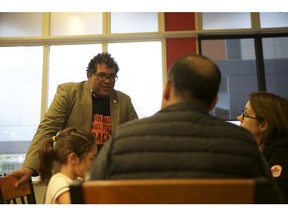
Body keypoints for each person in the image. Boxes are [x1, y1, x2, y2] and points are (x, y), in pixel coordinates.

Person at [89, 54, 283, 203]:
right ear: (213, 102)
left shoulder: (120, 141)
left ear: (166, 90)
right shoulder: (244, 144)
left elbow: (90, 199)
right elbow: (273, 203)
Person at [8, 52, 138, 187]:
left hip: (107, 176)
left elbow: (136, 136)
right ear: (89, 76)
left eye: (112, 76)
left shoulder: (124, 101)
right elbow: (47, 129)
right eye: (102, 75)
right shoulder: (69, 93)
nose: (107, 80)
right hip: (71, 177)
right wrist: (29, 167)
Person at [237, 92, 288, 203]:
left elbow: (276, 200)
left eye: (245, 114)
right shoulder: (263, 153)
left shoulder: (281, 155)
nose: (239, 117)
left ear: (263, 125)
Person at [39, 127, 97, 204]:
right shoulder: (59, 183)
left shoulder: (78, 180)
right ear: (73, 159)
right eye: (91, 159)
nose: (94, 164)